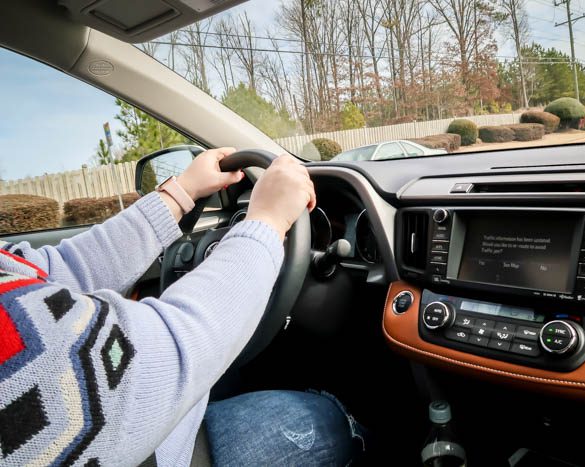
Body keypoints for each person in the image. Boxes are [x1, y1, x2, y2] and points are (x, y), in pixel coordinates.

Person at [0, 148, 364, 466]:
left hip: (144, 430)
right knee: (329, 421)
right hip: (161, 450)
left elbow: (58, 271)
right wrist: (267, 223)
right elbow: (145, 361)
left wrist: (182, 191)